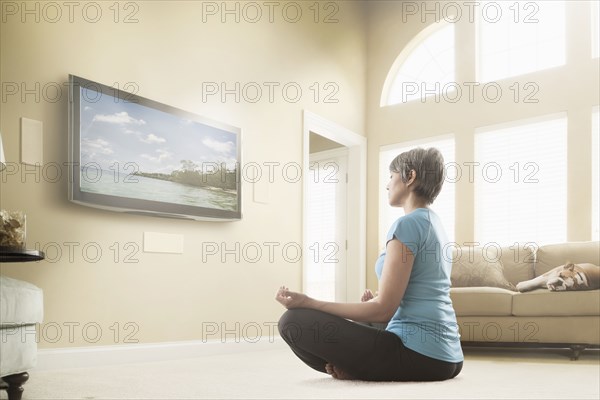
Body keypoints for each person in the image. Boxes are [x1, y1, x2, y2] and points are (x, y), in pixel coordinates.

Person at [275, 147, 463, 382]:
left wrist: (310, 302)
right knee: (367, 317)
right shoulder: (434, 223)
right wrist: (374, 306)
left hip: (418, 354)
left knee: (293, 322)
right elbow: (407, 298)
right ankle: (358, 366)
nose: (387, 184)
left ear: (410, 177)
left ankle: (357, 369)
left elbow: (385, 310)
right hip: (449, 356)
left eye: (391, 176)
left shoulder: (407, 225)